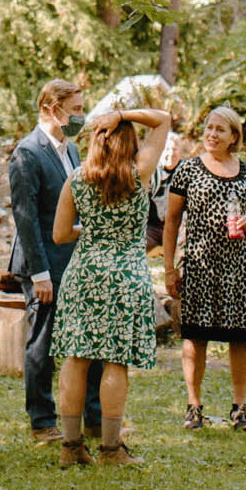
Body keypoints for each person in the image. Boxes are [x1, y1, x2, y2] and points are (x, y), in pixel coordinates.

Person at [51, 101, 172, 466]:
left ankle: (70, 449)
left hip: (84, 272)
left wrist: (90, 230)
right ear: (129, 143)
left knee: (76, 360)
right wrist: (122, 116)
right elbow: (163, 120)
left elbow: (59, 235)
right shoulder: (139, 173)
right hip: (125, 274)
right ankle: (110, 450)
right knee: (115, 363)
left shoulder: (76, 180)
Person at [160, 106, 246, 432]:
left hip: (240, 268)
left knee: (241, 338)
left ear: (234, 136)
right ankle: (194, 407)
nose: (212, 134)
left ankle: (239, 407)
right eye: (208, 127)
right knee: (195, 336)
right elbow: (172, 221)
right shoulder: (187, 171)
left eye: (221, 129)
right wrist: (169, 268)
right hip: (199, 265)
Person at [8, 78, 103, 445]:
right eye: (75, 109)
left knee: (89, 340)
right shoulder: (27, 153)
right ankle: (42, 420)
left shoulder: (72, 151)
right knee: (43, 343)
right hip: (43, 264)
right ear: (52, 108)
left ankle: (94, 417)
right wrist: (40, 274)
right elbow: (26, 217)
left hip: (74, 260)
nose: (81, 116)